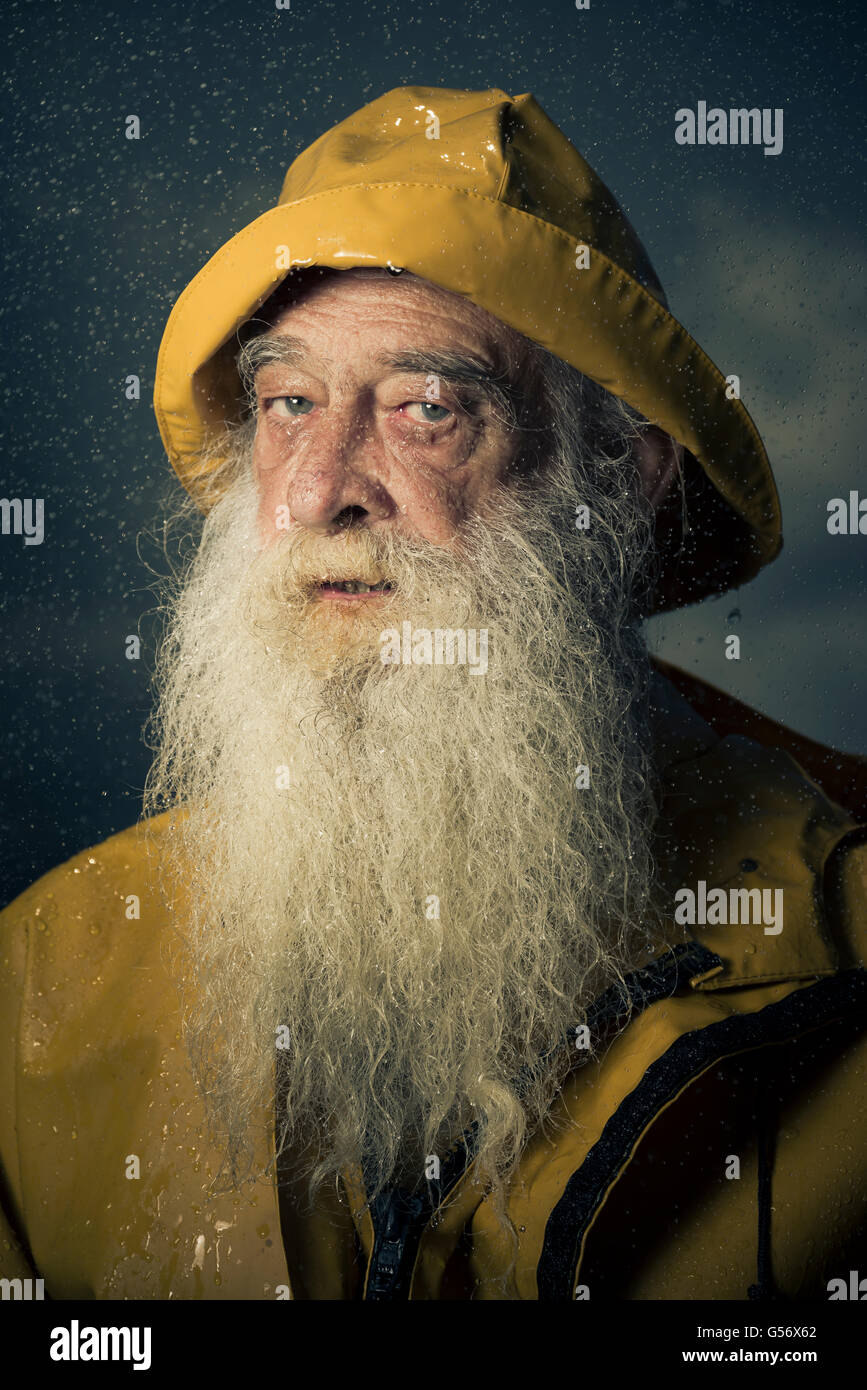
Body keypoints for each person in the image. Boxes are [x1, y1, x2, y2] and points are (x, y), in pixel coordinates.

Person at [1, 86, 865, 1302]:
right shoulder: (43, 977)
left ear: (619, 483)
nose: (319, 492)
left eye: (427, 409)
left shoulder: (847, 947)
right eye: (288, 404)